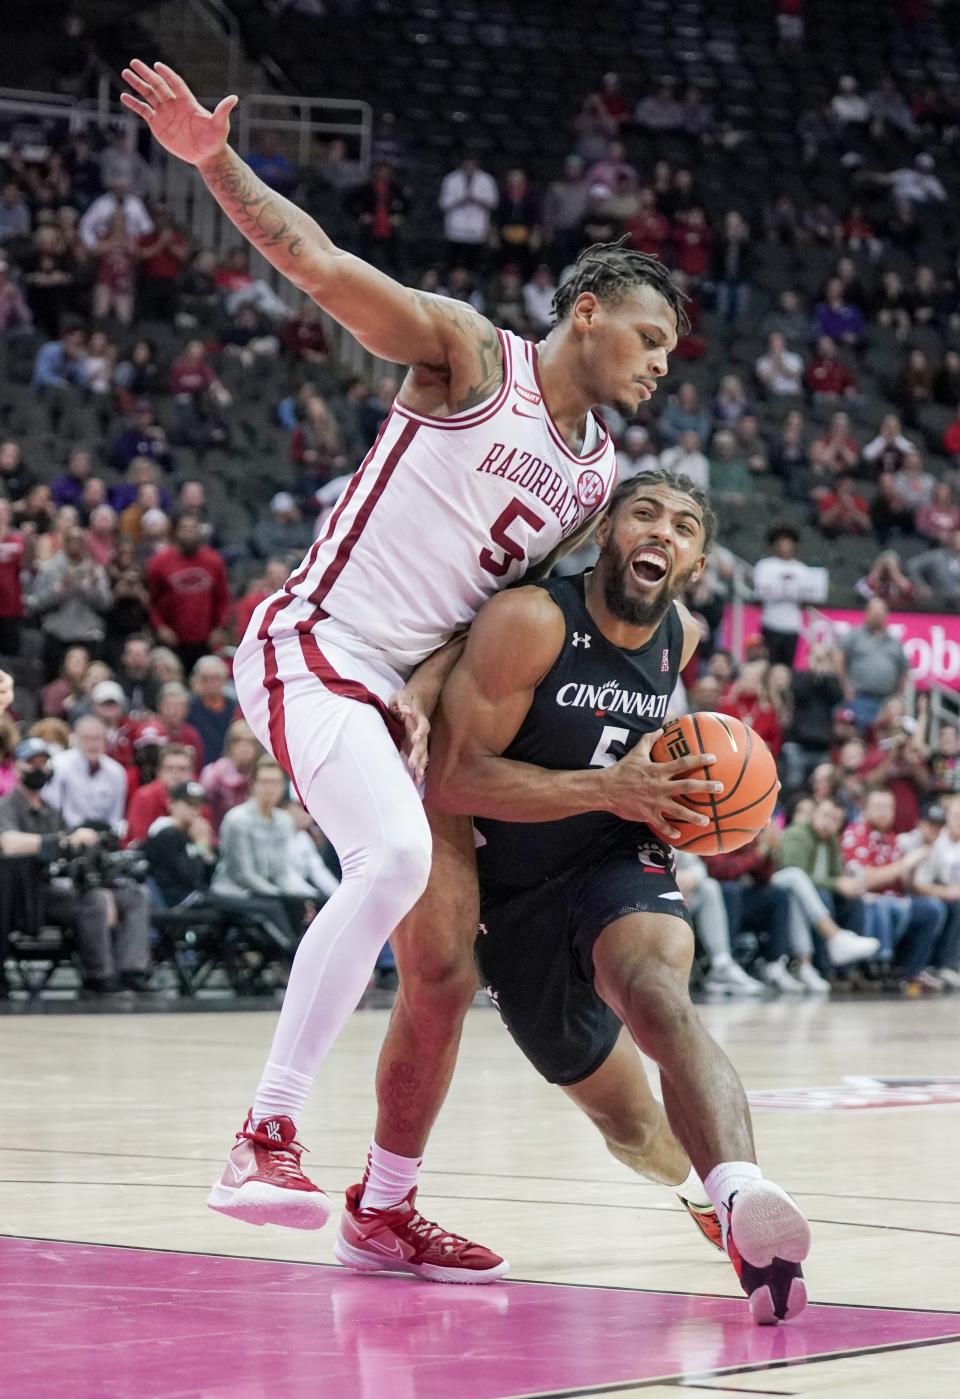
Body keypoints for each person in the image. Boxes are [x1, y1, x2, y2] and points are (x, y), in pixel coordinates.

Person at [122, 61, 688, 1256]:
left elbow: (482, 613)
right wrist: (212, 161)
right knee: (384, 855)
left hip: (396, 696)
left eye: (670, 356)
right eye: (646, 338)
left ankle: (382, 1206)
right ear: (587, 311)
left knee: (438, 966)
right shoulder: (470, 358)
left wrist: (433, 693)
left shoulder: (593, 479)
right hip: (316, 642)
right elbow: (323, 269)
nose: (656, 365)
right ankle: (265, 1131)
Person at [410, 470, 810, 1320]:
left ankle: (742, 1191)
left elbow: (643, 760)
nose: (663, 530)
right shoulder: (532, 621)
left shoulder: (683, 636)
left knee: (657, 993)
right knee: (633, 1133)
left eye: (684, 523)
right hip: (509, 894)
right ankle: (705, 1198)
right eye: (645, 512)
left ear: (698, 557)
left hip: (613, 851)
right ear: (607, 532)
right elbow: (451, 777)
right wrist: (611, 788)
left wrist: (689, 798)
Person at [0, 737, 152, 995]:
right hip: (29, 893)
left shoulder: (50, 810)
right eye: (31, 763)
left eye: (43, 763)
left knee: (135, 895)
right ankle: (100, 978)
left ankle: (133, 971)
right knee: (96, 901)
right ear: (17, 767)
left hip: (65, 884)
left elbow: (70, 848)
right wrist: (61, 841)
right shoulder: (8, 805)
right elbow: (8, 843)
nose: (38, 769)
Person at [751, 525, 827, 668]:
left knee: (787, 666)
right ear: (774, 544)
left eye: (788, 541)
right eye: (781, 541)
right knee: (768, 663)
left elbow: (808, 600)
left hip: (792, 625)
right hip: (770, 622)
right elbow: (758, 597)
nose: (784, 545)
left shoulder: (802, 569)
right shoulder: (765, 566)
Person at [836, 598, 909, 733]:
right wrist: (845, 686)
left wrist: (897, 697)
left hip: (885, 701)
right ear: (866, 613)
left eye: (880, 612)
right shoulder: (854, 636)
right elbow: (839, 658)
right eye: (874, 612)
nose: (877, 616)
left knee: (883, 739)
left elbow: (903, 670)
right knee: (858, 736)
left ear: (886, 615)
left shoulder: (894, 642)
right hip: (859, 697)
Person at [44, 715, 127, 831]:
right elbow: (52, 807)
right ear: (75, 739)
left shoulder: (117, 771)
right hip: (68, 833)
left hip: (104, 834)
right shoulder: (58, 765)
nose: (92, 744)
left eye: (97, 738)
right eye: (86, 738)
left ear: (105, 741)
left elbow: (115, 815)